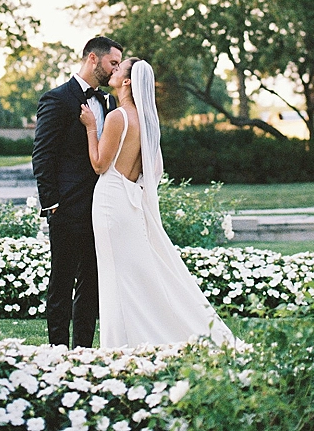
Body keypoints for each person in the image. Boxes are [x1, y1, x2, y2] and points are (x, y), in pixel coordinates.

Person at [80, 57, 244, 350]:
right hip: (129, 201)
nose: (113, 71)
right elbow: (153, 172)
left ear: (128, 82)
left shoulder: (118, 117)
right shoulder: (146, 122)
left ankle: (120, 343)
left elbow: (98, 164)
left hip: (110, 201)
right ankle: (129, 339)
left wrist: (91, 127)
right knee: (124, 273)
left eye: (119, 69)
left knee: (114, 274)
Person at [32, 36, 123, 348]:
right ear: (93, 60)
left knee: (92, 284)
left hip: (100, 208)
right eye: (113, 63)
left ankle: (83, 351)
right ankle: (56, 351)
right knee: (61, 283)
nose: (116, 70)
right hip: (66, 209)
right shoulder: (57, 99)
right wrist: (51, 204)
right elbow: (43, 155)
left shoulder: (110, 104)